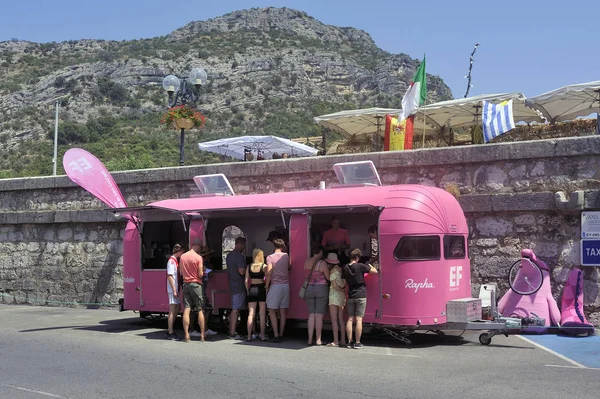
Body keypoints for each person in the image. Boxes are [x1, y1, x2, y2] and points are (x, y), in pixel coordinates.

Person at [342, 248, 378, 349]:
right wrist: (369, 264)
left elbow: (344, 283)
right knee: (359, 319)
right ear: (357, 257)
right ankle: (357, 342)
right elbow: (375, 271)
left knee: (350, 319)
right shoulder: (361, 266)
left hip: (350, 295)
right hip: (361, 295)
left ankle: (349, 342)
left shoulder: (345, 267)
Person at [179, 240, 206, 342]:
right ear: (197, 246)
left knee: (187, 309)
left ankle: (186, 335)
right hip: (196, 284)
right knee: (200, 309)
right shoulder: (198, 257)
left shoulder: (183, 257)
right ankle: (202, 336)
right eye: (200, 247)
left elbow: (181, 272)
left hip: (185, 284)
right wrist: (203, 270)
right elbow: (200, 274)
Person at [189, 245, 218, 338]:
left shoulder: (203, 263)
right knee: (201, 309)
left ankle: (201, 328)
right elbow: (209, 273)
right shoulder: (200, 263)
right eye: (209, 255)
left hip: (200, 289)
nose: (210, 257)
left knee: (200, 309)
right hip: (198, 289)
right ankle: (196, 329)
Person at [304, 246, 330, 346]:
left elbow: (306, 276)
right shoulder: (322, 263)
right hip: (320, 289)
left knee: (311, 315)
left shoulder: (306, 262)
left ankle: (309, 339)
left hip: (308, 288)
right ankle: (318, 339)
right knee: (319, 315)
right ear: (319, 252)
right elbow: (327, 277)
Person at [265, 238, 290, 342]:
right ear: (282, 246)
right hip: (286, 285)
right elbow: (289, 267)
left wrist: (267, 285)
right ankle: (281, 333)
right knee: (282, 311)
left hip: (276, 285)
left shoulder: (270, 257)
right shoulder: (286, 256)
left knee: (272, 310)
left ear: (273, 246)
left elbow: (270, 272)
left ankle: (275, 335)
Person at [226, 237, 247, 339]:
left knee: (235, 308)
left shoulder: (229, 255)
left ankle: (231, 330)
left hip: (232, 284)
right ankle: (232, 333)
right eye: (244, 245)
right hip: (239, 285)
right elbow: (242, 271)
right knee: (236, 309)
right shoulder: (239, 256)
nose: (244, 247)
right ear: (241, 244)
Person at [245, 248, 268, 342]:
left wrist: (247, 290)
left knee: (251, 314)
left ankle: (249, 336)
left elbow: (246, 280)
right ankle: (262, 335)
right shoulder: (264, 266)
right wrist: (267, 288)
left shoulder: (249, 266)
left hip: (252, 289)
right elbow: (267, 278)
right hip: (261, 288)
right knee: (262, 314)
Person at [165, 244, 185, 340]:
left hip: (175, 288)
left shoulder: (175, 261)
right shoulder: (172, 261)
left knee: (177, 308)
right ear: (179, 251)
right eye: (182, 252)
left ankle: (170, 328)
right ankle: (170, 331)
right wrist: (174, 290)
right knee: (173, 310)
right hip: (173, 289)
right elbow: (169, 276)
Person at [327, 252, 347, 347]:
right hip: (342, 296)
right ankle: (343, 340)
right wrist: (342, 290)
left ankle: (336, 341)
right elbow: (344, 284)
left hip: (334, 295)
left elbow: (334, 286)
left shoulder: (332, 271)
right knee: (341, 320)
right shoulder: (341, 270)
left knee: (334, 320)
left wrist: (339, 289)